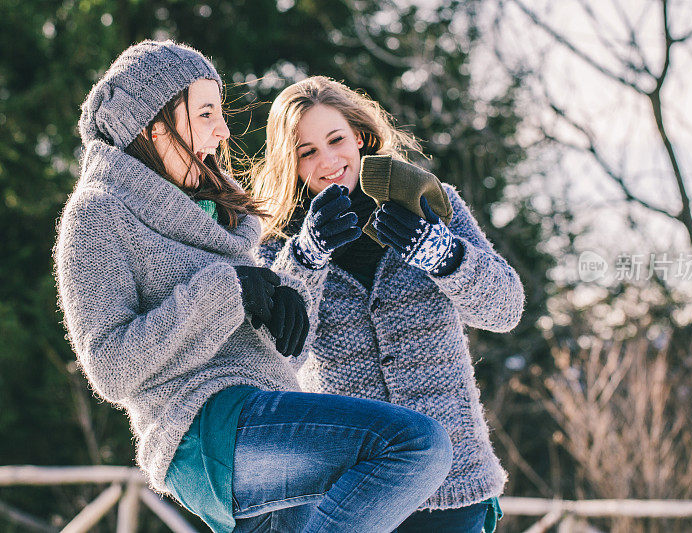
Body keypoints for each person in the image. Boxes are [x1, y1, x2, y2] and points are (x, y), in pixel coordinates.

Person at [55, 42, 452, 533]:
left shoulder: (216, 213)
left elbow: (257, 338)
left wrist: (279, 296)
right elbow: (111, 366)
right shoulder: (98, 213)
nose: (222, 131)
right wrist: (227, 290)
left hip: (261, 420)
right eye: (205, 113)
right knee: (415, 445)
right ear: (153, 125)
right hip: (203, 427)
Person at [254, 76, 524, 533]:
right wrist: (306, 259)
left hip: (454, 486)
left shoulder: (428, 203)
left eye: (336, 139)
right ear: (292, 163)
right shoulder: (276, 246)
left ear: (359, 137)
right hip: (355, 494)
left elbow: (504, 309)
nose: (328, 160)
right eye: (307, 151)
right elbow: (277, 362)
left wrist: (445, 255)